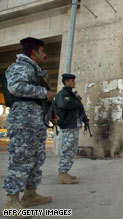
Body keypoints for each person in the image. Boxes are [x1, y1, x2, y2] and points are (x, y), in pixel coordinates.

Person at [2, 37, 54, 215]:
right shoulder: (20, 67)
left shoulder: (34, 71)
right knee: (21, 158)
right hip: (23, 120)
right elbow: (16, 87)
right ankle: (11, 201)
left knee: (36, 158)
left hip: (35, 120)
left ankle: (30, 194)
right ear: (34, 52)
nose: (45, 55)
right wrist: (43, 92)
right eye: (43, 51)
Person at [56, 73, 84, 184]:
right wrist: (77, 104)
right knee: (67, 149)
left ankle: (65, 172)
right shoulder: (63, 94)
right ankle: (62, 174)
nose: (74, 82)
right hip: (68, 125)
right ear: (66, 82)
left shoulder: (71, 95)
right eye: (71, 81)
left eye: (73, 80)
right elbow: (65, 105)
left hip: (74, 125)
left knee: (72, 149)